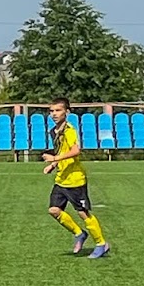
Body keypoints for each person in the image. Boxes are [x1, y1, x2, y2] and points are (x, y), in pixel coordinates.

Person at [42, 97, 110, 259]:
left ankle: (101, 244)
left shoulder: (69, 130)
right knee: (54, 210)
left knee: (83, 213)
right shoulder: (55, 131)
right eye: (52, 111)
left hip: (75, 179)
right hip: (61, 178)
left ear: (67, 112)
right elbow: (62, 151)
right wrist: (53, 166)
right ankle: (79, 233)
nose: (54, 114)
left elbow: (75, 150)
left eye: (58, 110)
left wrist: (53, 159)